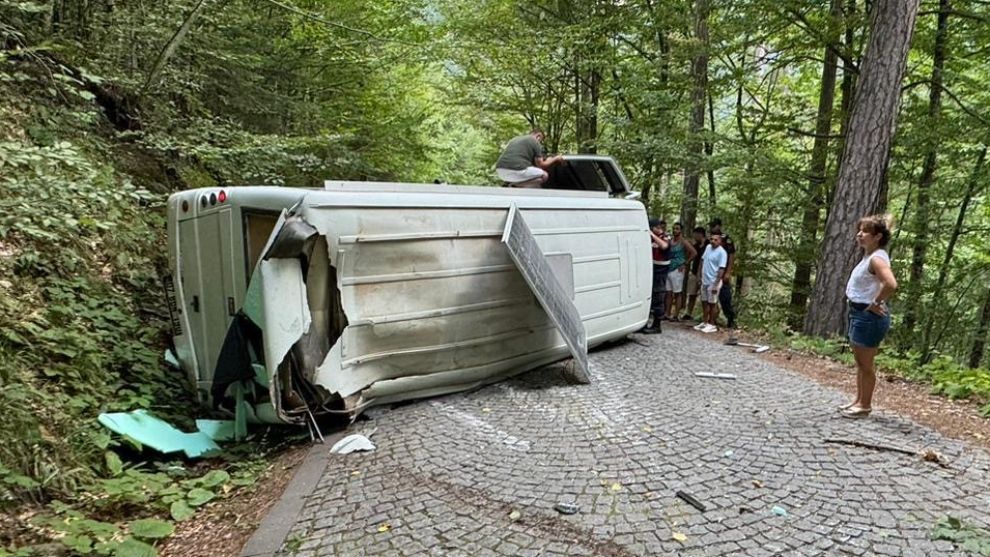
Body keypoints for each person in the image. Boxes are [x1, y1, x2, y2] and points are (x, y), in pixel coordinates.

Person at [841, 214, 898, 419]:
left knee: (866, 365)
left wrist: (875, 303)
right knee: (860, 363)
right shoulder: (869, 256)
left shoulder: (876, 258)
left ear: (877, 237)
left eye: (865, 232)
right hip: (859, 314)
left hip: (869, 318)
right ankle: (858, 400)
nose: (859, 234)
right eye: (860, 230)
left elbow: (890, 284)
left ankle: (865, 405)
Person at [495, 128, 565, 188]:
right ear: (538, 136)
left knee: (528, 176)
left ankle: (511, 184)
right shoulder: (534, 140)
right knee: (544, 175)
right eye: (541, 140)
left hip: (500, 171)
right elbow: (541, 165)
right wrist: (555, 158)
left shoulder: (515, 139)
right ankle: (515, 186)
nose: (540, 142)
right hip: (516, 170)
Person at [640, 218, 670, 334]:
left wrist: (652, 234)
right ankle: (644, 323)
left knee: (658, 295)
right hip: (651, 268)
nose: (658, 229)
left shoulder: (665, 237)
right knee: (649, 295)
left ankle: (657, 325)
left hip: (661, 270)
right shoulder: (650, 238)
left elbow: (664, 246)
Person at [710, 219, 737, 336]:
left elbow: (731, 255)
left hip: (723, 271)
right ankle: (712, 320)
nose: (712, 228)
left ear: (719, 226)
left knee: (725, 298)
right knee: (711, 298)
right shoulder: (710, 238)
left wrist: (728, 272)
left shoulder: (726, 239)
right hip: (712, 272)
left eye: (714, 226)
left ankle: (731, 320)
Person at [664, 223, 697, 321]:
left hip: (678, 269)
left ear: (681, 230)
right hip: (669, 267)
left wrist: (685, 263)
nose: (675, 230)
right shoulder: (670, 241)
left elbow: (694, 253)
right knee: (668, 292)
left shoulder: (683, 242)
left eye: (677, 229)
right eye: (674, 228)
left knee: (677, 293)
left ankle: (676, 315)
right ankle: (667, 313)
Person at [694, 231, 726, 334]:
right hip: (705, 279)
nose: (713, 241)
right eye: (712, 239)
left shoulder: (722, 253)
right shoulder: (708, 248)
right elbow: (702, 261)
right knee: (704, 301)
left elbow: (721, 269)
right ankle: (705, 321)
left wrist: (716, 284)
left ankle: (712, 324)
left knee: (712, 303)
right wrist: (699, 275)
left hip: (713, 280)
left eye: (716, 240)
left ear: (720, 241)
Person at [682, 226, 707, 320]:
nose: (694, 237)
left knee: (705, 296)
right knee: (692, 294)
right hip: (694, 271)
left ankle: (707, 316)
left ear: (700, 234)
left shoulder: (708, 245)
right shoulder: (695, 246)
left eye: (695, 235)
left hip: (705, 274)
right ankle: (688, 313)